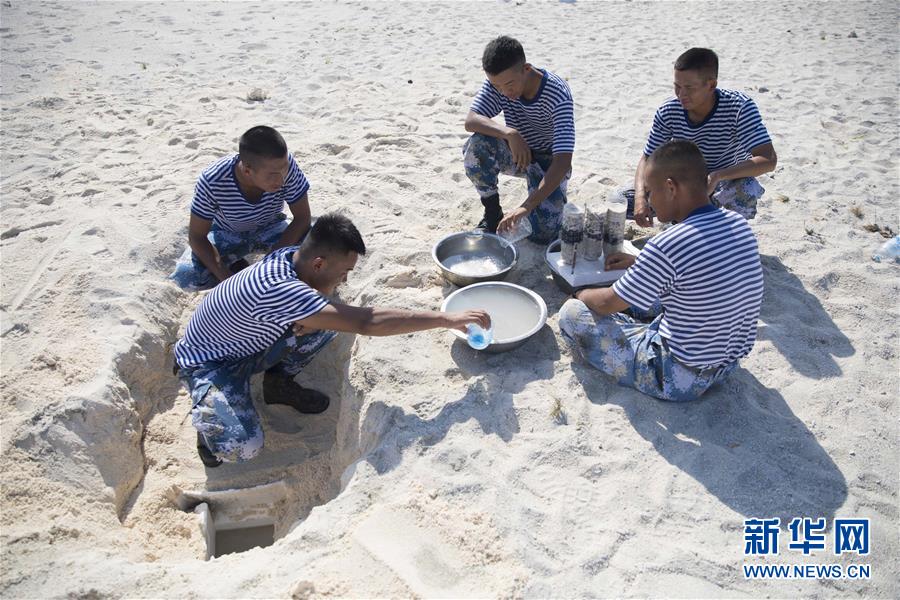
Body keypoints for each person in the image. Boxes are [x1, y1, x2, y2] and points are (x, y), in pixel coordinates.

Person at [173, 213, 490, 467]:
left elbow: (327, 301)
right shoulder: (280, 289)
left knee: (327, 322)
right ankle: (209, 432)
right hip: (209, 361)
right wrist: (446, 318)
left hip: (246, 341)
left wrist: (313, 310)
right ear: (319, 264)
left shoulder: (291, 258)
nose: (346, 279)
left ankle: (278, 385)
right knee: (243, 446)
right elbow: (368, 321)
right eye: (344, 271)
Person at [559, 140, 763, 401]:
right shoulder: (737, 223)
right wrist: (640, 263)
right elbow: (699, 271)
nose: (651, 201)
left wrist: (580, 294)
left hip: (679, 375)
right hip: (725, 364)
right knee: (651, 296)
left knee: (572, 314)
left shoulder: (669, 243)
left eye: (651, 192)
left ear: (670, 187)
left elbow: (608, 303)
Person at [630, 48, 777, 226]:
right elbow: (647, 157)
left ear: (711, 85)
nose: (681, 94)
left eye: (689, 88)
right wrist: (640, 197)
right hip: (683, 183)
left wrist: (717, 176)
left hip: (725, 182)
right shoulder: (669, 110)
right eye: (677, 86)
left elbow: (768, 159)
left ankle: (719, 227)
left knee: (746, 189)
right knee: (622, 198)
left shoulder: (739, 107)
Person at [170, 125, 314, 291]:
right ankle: (235, 266)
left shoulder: (284, 166)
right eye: (273, 176)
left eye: (284, 170)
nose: (282, 180)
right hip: (226, 234)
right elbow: (197, 236)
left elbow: (302, 218)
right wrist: (227, 279)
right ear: (247, 170)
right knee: (186, 277)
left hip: (271, 227)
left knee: (317, 252)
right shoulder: (212, 180)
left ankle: (248, 267)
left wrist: (269, 263)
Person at [462, 35, 575, 244]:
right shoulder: (499, 82)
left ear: (526, 69)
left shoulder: (558, 94)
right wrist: (510, 134)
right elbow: (471, 120)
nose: (505, 92)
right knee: (476, 147)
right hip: (518, 153)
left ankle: (548, 200)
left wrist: (525, 207)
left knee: (543, 235)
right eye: (497, 87)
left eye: (509, 85)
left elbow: (563, 161)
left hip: (549, 162)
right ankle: (492, 213)